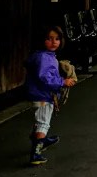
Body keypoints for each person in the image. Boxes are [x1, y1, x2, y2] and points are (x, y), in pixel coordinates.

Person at [26, 25, 77, 166]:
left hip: (37, 94)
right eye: (49, 39)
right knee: (43, 122)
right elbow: (45, 78)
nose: (54, 42)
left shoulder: (41, 55)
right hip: (43, 95)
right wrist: (62, 82)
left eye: (57, 39)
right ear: (42, 40)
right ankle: (36, 152)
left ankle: (41, 139)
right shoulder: (45, 57)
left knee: (40, 118)